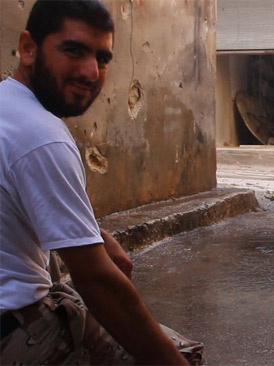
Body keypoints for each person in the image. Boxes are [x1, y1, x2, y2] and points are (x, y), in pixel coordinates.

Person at [0, 1, 204, 364]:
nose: (91, 72)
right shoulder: (42, 136)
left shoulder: (8, 109)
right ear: (28, 48)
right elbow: (97, 280)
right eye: (74, 51)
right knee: (178, 353)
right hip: (10, 330)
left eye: (103, 58)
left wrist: (90, 233)